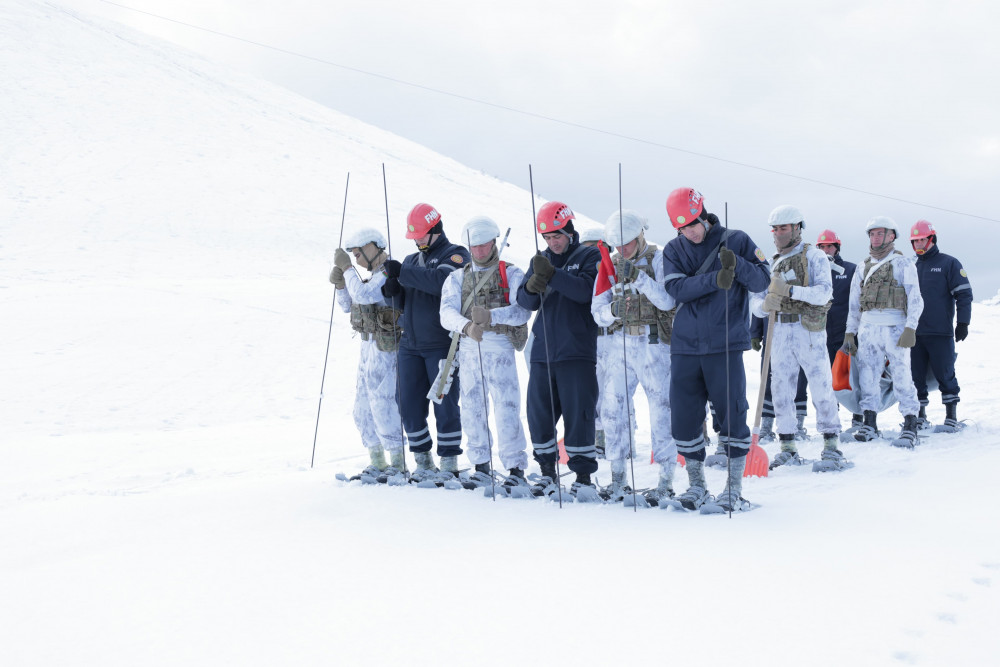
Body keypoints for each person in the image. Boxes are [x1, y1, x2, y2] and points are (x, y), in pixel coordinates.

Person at [662, 187, 770, 512]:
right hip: (684, 346)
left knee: (732, 412)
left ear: (703, 214)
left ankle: (733, 489)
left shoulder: (736, 240)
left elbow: (763, 281)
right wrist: (715, 279)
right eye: (682, 228)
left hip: (724, 343)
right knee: (684, 416)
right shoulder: (673, 249)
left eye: (693, 224)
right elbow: (675, 288)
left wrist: (737, 265)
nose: (690, 232)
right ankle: (697, 486)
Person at [750, 206, 847, 472]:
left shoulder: (814, 256)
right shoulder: (771, 263)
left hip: (808, 331)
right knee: (781, 389)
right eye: (775, 229)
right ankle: (788, 445)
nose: (778, 234)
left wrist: (791, 290)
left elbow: (824, 293)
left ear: (797, 228)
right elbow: (755, 301)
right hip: (779, 331)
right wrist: (764, 305)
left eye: (783, 228)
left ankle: (830, 444)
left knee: (821, 386)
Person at [515, 201, 601, 500]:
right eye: (549, 238)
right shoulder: (541, 259)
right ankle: (548, 474)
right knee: (539, 416)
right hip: (543, 351)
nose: (553, 242)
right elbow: (526, 304)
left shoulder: (590, 255)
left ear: (569, 231)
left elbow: (586, 292)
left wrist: (553, 276)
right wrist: (531, 286)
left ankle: (583, 477)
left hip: (577, 350)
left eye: (557, 236)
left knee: (580, 416)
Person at [439, 215, 531, 493]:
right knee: (471, 409)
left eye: (484, 245)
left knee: (507, 409)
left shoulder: (511, 273)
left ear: (494, 242)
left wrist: (492, 316)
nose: (479, 251)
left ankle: (515, 467)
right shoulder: (457, 278)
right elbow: (445, 313)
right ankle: (480, 465)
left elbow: (522, 311)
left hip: (500, 348)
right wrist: (466, 326)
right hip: (468, 350)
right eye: (474, 246)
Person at [591, 209, 677, 502]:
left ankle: (666, 478)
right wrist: (612, 312)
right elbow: (597, 310)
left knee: (661, 410)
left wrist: (639, 278)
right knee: (614, 411)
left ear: (641, 235)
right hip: (620, 345)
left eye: (626, 243)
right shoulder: (609, 264)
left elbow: (667, 300)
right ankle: (617, 478)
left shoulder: (661, 258)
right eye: (617, 245)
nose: (621, 250)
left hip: (654, 344)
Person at [380, 203, 471, 482]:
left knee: (444, 403)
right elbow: (400, 301)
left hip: (441, 344)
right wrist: (392, 289)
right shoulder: (409, 260)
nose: (417, 241)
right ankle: (422, 459)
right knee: (407, 402)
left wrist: (403, 274)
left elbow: (440, 282)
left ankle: (449, 461)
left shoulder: (455, 254)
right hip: (410, 344)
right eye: (414, 237)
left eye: (420, 235)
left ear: (435, 230)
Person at [330, 228, 405, 480]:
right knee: (362, 408)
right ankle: (377, 459)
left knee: (383, 403)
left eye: (359, 253)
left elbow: (363, 295)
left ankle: (398, 459)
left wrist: (348, 270)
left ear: (375, 247)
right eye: (353, 254)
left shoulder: (387, 273)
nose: (357, 258)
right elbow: (347, 305)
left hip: (386, 348)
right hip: (367, 346)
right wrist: (341, 284)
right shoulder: (370, 276)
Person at [842, 216, 924, 447]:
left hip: (895, 327)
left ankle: (910, 423)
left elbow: (916, 299)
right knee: (868, 377)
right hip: (869, 329)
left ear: (892, 236)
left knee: (902, 375)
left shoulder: (903, 264)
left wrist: (911, 327)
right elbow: (854, 303)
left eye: (880, 233)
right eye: (872, 234)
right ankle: (869, 422)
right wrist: (851, 332)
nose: (875, 238)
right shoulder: (862, 266)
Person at [908, 220, 973, 432]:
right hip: (913, 334)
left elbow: (964, 294)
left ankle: (951, 416)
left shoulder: (949, 263)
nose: (918, 244)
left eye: (922, 240)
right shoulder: (910, 266)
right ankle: (920, 416)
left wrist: (963, 322)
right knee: (915, 377)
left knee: (945, 374)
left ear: (932, 239)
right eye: (914, 240)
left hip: (940, 332)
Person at [816, 229, 861, 430]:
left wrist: (856, 332)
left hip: (846, 336)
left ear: (837, 248)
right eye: (822, 247)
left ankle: (858, 419)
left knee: (850, 379)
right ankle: (831, 421)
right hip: (821, 335)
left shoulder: (851, 270)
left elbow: (859, 302)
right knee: (826, 381)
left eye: (830, 246)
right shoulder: (813, 272)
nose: (826, 250)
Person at [578, 225, 611, 458]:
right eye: (587, 249)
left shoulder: (612, 270)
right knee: (595, 393)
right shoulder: (581, 273)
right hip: (590, 340)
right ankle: (599, 440)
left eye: (596, 248)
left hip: (615, 339)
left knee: (616, 395)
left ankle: (622, 440)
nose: (592, 254)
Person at [749, 314, 809, 442]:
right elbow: (759, 300)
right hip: (772, 334)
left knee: (798, 382)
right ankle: (766, 425)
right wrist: (755, 332)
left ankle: (797, 425)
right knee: (768, 381)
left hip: (800, 335)